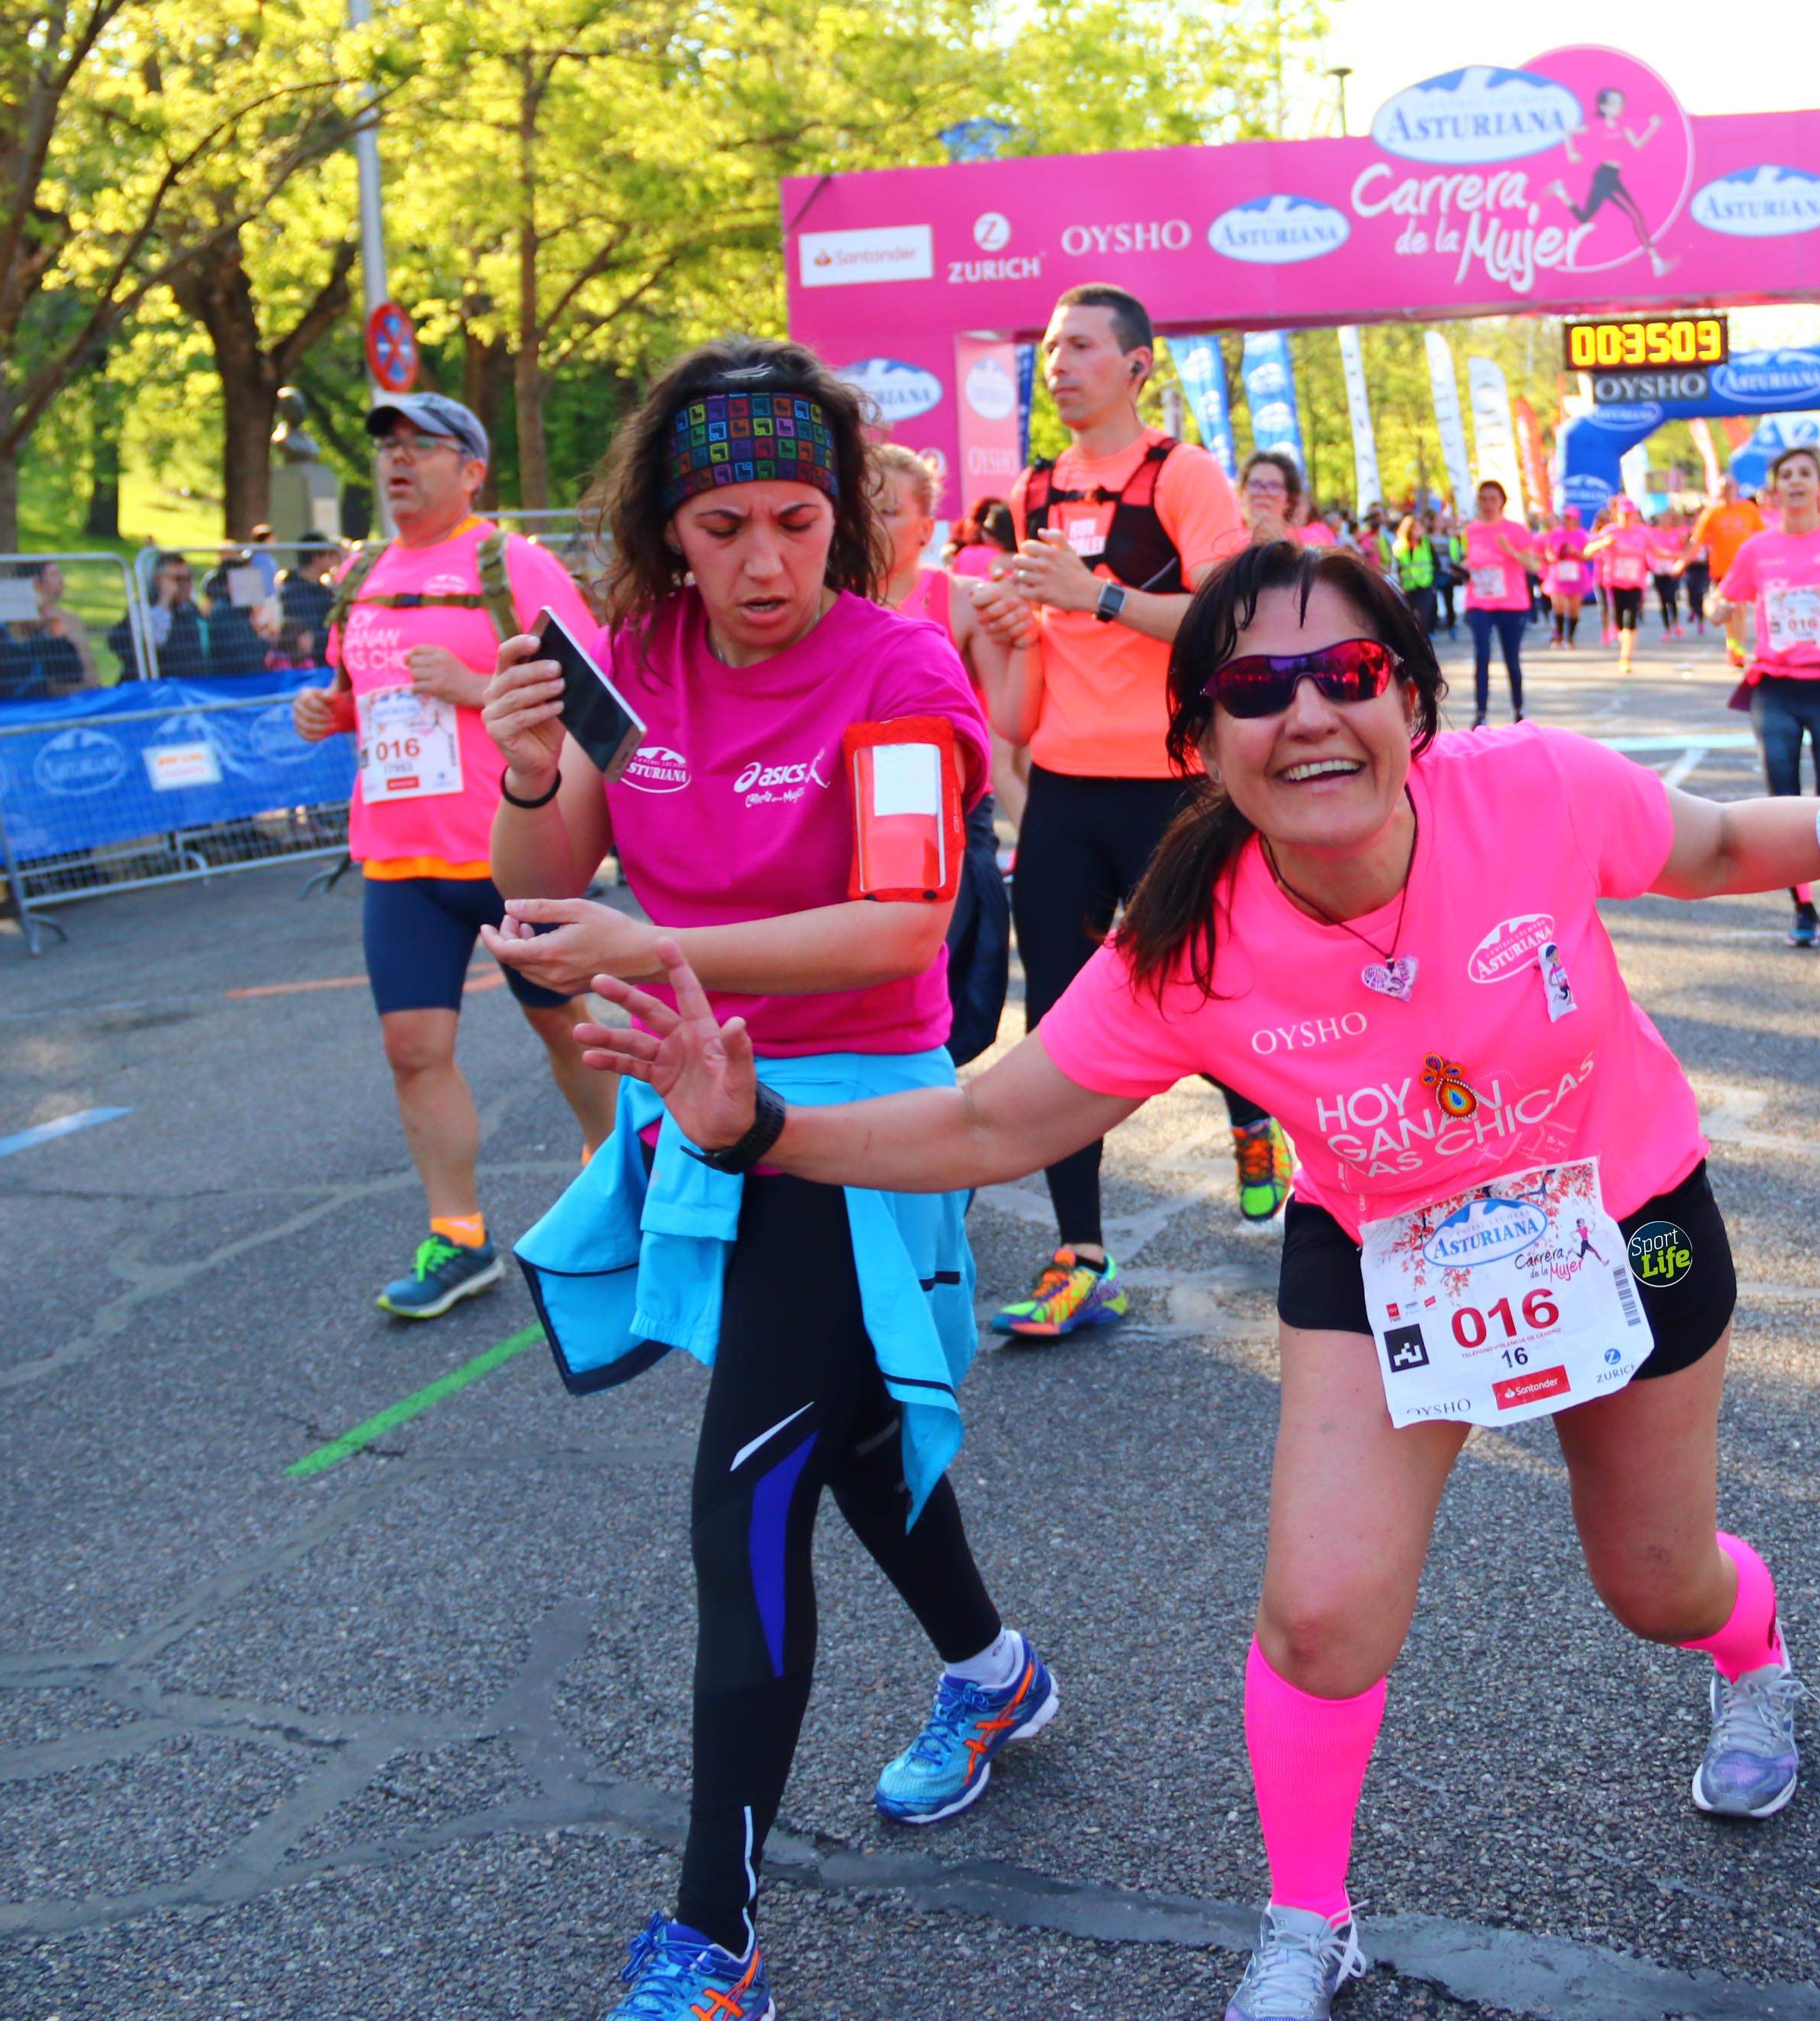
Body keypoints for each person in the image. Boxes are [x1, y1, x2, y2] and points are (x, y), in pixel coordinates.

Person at [568, 539, 1820, 2021]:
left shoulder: (1532, 789)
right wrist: (761, 1133)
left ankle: (1751, 1657)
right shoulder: (1183, 941)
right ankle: (1308, 1917)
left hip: (1619, 1215)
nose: (1309, 711)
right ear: (1202, 741)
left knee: (1657, 1581)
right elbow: (998, 1115)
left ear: (1413, 701)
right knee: (1318, 1614)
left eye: (1350, 673)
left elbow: (1711, 848)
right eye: (1257, 685)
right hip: (1383, 1243)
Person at [476, 336, 1055, 2021]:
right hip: (691, 1103)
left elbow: (897, 926)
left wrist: (666, 950)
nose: (763, 563)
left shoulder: (900, 671)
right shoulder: (633, 660)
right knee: (853, 1439)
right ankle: (996, 1672)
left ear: (842, 517)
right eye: (720, 524)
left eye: (796, 520)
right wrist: (525, 776)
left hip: (855, 1126)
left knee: (747, 1490)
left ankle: (713, 1936)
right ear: (668, 528)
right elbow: (537, 885)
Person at [963, 282, 1290, 1337]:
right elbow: (1029, 673)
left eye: (1083, 348)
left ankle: (1254, 1116)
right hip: (1064, 790)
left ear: (1139, 364)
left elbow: (1230, 621)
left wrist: (1096, 596)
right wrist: (1010, 625)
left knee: (1211, 991)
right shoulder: (1035, 487)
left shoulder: (1181, 474)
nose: (1058, 365)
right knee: (1058, 1021)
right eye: (1051, 349)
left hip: (1175, 788)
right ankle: (1079, 1256)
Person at [288, 389, 618, 1319]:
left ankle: (613, 1182)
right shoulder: (360, 575)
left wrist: (479, 686)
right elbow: (361, 693)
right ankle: (457, 1235)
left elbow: (591, 689)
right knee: (411, 1048)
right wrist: (328, 711)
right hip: (399, 859)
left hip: (507, 849)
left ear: (471, 469)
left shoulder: (508, 562)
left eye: (422, 446)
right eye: (388, 447)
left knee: (566, 1028)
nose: (398, 461)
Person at [1710, 443, 1820, 948]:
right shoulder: (1757, 549)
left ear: (1819, 486)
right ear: (1774, 489)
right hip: (1775, 690)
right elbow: (1721, 600)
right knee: (1782, 805)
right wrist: (1716, 611)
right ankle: (1803, 906)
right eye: (1785, 475)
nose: (1795, 482)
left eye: (1804, 474)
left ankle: (1816, 877)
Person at [870, 441, 1013, 1069]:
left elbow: (1006, 733)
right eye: (857, 506)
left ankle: (933, 1157)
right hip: (854, 836)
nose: (870, 522)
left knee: (943, 1029)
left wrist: (1039, 835)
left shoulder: (964, 600)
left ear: (926, 528)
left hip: (949, 834)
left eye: (888, 509)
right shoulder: (818, 608)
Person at [1546, 84, 1672, 275]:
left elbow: (1637, 145)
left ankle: (1561, 193)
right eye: (1614, 104)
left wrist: (1653, 128)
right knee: (1636, 216)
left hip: (1612, 176)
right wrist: (1571, 153)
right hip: (1605, 177)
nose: (1619, 107)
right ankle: (1656, 262)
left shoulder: (1623, 126)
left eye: (1620, 103)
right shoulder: (1597, 125)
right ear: (1604, 107)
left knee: (1584, 218)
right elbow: (1568, 132)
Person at [0, 560, 90, 699]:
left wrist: (60, 639)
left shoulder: (42, 643)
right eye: (40, 610)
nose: (46, 616)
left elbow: (73, 674)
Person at [1461, 479, 1537, 725]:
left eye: (1493, 499)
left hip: (1511, 603)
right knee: (1482, 655)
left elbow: (1534, 566)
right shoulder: (1471, 531)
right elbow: (1470, 560)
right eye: (1483, 499)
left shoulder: (1515, 530)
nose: (1488, 504)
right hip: (1480, 602)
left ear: (1502, 502)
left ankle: (1518, 709)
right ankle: (1480, 713)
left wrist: (1510, 551)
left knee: (1511, 659)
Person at [112, 551, 228, 681]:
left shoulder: (191, 610)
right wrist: (164, 600)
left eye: (187, 579)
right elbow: (150, 646)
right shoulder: (143, 609)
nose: (183, 585)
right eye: (175, 579)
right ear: (158, 581)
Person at [1691, 476, 1764, 671]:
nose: (1726, 491)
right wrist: (1682, 562)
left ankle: (1738, 649)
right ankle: (1732, 645)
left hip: (1744, 569)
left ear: (1736, 489)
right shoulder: (1712, 513)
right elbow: (1697, 540)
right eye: (1723, 488)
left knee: (1740, 610)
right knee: (1727, 611)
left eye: (1730, 487)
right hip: (1721, 570)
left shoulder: (1748, 510)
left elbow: (1761, 536)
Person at [1586, 495, 1656, 675]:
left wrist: (1677, 558)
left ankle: (1625, 658)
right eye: (1624, 514)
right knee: (1619, 622)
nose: (1627, 517)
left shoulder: (1643, 532)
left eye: (1630, 514)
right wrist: (1604, 543)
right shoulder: (1610, 531)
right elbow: (1587, 551)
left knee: (1630, 620)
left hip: (1635, 582)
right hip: (1615, 582)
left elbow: (1655, 551)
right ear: (1617, 514)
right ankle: (1623, 641)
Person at [1242, 452, 1312, 550]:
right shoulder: (1226, 544)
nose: (1262, 492)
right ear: (1243, 491)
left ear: (1290, 497)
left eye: (1274, 486)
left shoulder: (1308, 545)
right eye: (1255, 484)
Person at [1541, 511, 1590, 647]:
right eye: (1566, 517)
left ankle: (1570, 637)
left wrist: (1575, 552)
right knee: (1559, 604)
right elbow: (1548, 550)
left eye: (1571, 518)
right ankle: (1558, 636)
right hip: (1559, 573)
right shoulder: (1556, 534)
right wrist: (1552, 557)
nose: (1568, 520)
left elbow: (1587, 555)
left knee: (1574, 607)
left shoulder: (1582, 535)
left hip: (1576, 573)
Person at [1389, 513, 1437, 634]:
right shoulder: (1399, 546)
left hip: (1424, 585)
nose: (1419, 530)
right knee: (1408, 619)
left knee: (1422, 618)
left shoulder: (1426, 543)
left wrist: (1432, 581)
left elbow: (1436, 563)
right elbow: (1396, 568)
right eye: (1415, 527)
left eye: (1420, 527)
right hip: (1407, 587)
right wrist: (1399, 586)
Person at [1648, 508, 1688, 638]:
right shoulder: (1653, 533)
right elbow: (1651, 550)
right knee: (1663, 599)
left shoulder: (1676, 533)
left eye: (1668, 519)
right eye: (1663, 519)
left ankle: (1676, 623)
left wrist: (1676, 556)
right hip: (1659, 570)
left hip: (1672, 570)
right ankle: (1667, 628)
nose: (1666, 522)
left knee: (1671, 597)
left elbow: (1683, 549)